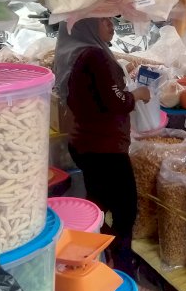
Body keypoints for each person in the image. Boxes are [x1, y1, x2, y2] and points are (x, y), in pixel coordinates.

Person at [53, 17, 150, 277]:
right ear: (86, 25)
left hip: (84, 143)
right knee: (125, 212)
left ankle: (90, 263)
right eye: (104, 21)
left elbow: (100, 95)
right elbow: (117, 101)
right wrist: (138, 94)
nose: (112, 25)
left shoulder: (73, 52)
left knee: (98, 206)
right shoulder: (94, 56)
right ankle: (123, 272)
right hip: (104, 148)